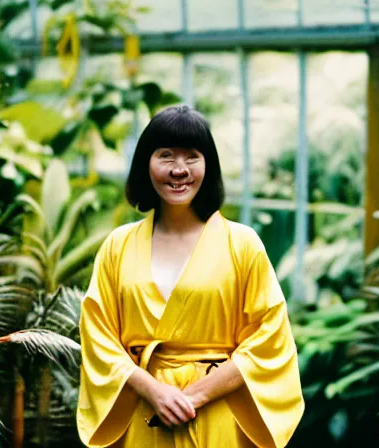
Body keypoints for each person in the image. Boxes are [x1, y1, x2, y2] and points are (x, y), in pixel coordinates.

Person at [77, 105, 304, 448]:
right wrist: (152, 389)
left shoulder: (242, 244)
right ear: (145, 164)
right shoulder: (117, 246)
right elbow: (98, 334)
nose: (179, 170)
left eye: (192, 157)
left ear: (208, 165)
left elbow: (269, 337)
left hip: (217, 414)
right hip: (145, 413)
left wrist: (195, 396)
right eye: (166, 155)